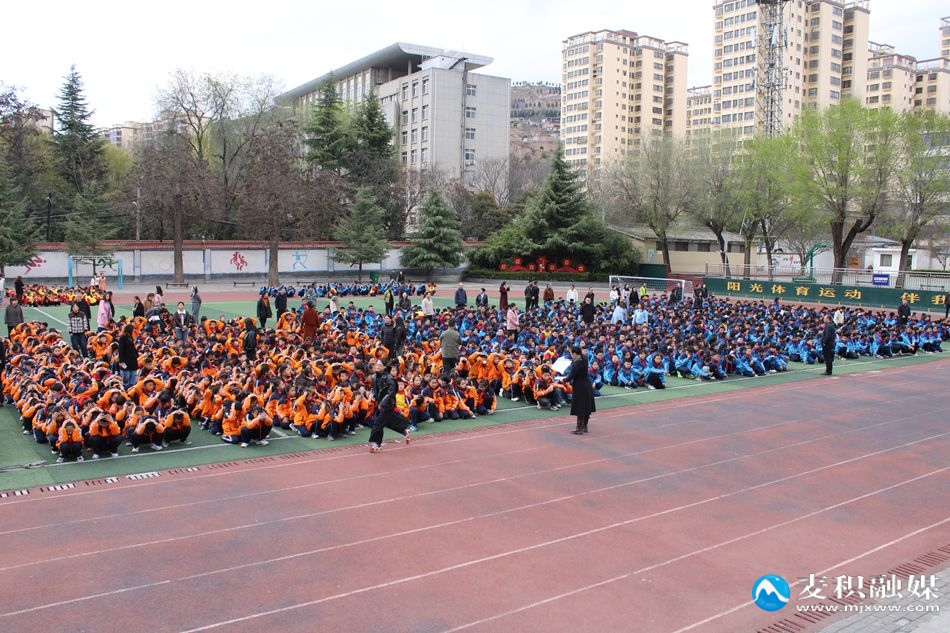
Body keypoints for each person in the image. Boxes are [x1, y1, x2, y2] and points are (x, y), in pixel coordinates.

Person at [369, 360, 411, 453]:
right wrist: (373, 398)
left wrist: (382, 403)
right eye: (376, 365)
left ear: (384, 366)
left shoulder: (389, 378)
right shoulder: (374, 377)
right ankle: (404, 430)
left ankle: (375, 443)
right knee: (387, 422)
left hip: (388, 404)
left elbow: (391, 393)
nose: (377, 366)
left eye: (380, 365)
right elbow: (375, 390)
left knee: (378, 423)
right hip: (379, 403)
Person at [559, 346, 595, 435]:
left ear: (574, 353)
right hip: (587, 384)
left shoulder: (577, 363)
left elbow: (571, 375)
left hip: (580, 386)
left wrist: (563, 380)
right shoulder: (584, 359)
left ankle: (579, 428)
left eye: (571, 353)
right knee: (586, 405)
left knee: (580, 406)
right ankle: (584, 426)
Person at [117, 324, 139, 388]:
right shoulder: (123, 338)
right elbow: (121, 350)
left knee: (133, 376)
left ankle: (132, 388)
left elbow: (133, 348)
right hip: (125, 360)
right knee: (126, 377)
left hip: (132, 360)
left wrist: (136, 354)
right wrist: (121, 361)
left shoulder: (130, 338)